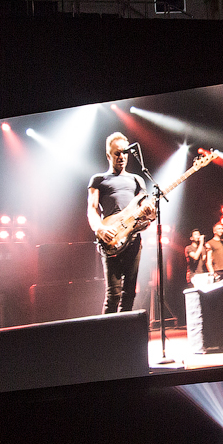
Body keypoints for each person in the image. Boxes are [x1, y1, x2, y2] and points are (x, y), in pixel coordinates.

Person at [88, 131, 148, 314]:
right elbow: (92, 209)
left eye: (125, 152)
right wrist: (99, 229)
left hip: (133, 241)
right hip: (111, 239)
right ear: (108, 155)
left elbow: (145, 210)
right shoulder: (98, 180)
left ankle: (124, 338)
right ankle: (106, 339)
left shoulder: (137, 180)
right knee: (113, 295)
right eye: (117, 153)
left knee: (129, 294)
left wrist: (149, 214)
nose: (122, 156)